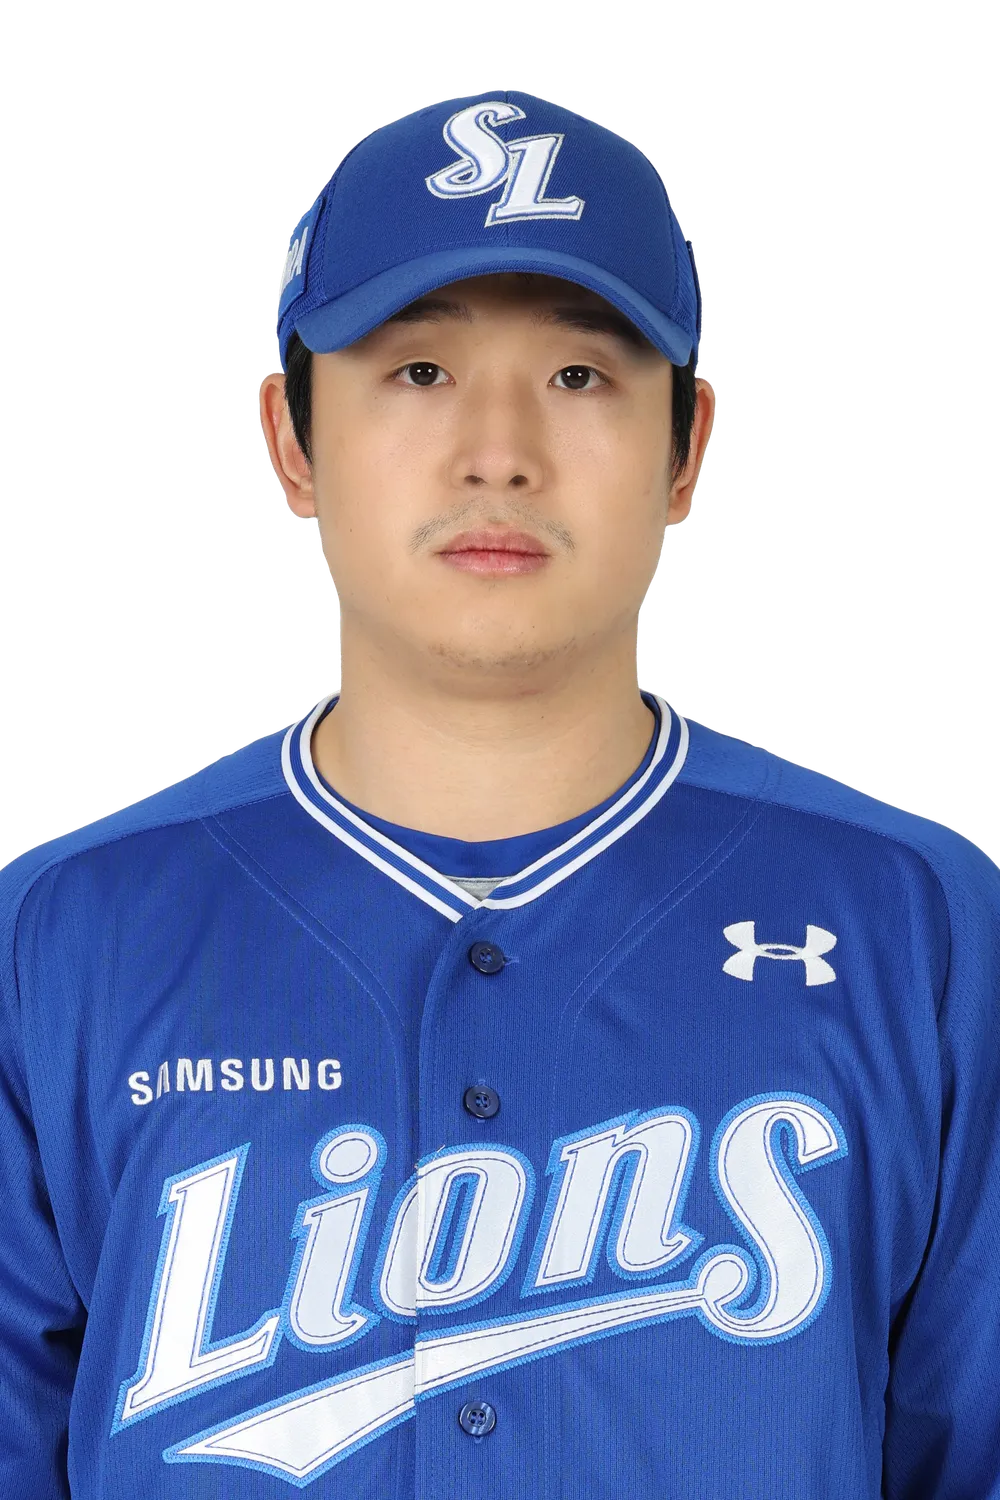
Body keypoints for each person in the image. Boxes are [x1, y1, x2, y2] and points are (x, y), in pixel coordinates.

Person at [1, 89, 997, 1500]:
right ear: (289, 436)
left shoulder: (919, 921)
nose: (499, 451)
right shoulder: (59, 932)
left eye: (581, 375)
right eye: (419, 370)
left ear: (690, 446)